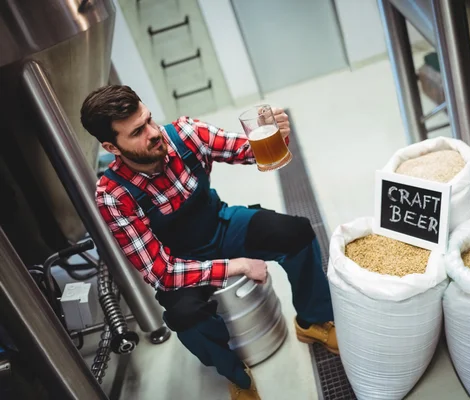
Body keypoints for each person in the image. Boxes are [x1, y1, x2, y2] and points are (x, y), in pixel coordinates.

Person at [80, 85, 337, 400]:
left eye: (149, 120)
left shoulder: (186, 133)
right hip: (179, 261)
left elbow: (247, 150)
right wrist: (235, 266)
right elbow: (161, 271)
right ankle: (238, 378)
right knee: (184, 317)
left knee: (296, 232)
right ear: (112, 146)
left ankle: (312, 320)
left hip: (221, 224)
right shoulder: (113, 195)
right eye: (137, 132)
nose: (152, 133)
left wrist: (276, 134)